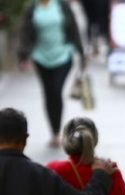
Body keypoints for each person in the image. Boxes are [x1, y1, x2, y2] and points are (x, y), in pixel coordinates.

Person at [17, 0, 85, 147]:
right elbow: (24, 33)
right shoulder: (31, 8)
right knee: (48, 93)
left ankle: (58, 130)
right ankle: (54, 132)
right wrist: (22, 56)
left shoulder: (62, 5)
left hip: (63, 55)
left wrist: (82, 54)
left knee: (56, 90)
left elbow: (74, 29)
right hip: (41, 57)